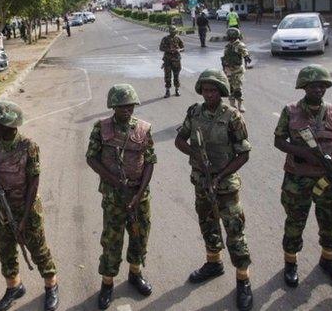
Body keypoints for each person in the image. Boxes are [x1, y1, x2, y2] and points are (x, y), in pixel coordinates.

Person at [175, 69, 253, 311]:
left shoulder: (232, 116)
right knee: (207, 223)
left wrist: (220, 175)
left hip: (226, 184)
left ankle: (243, 278)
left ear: (221, 92)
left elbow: (244, 153)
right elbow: (180, 140)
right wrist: (195, 153)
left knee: (234, 229)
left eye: (214, 90)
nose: (209, 94)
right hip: (201, 181)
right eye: (205, 90)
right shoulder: (194, 112)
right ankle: (213, 263)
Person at [273, 65, 332, 287]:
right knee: (294, 222)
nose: (318, 89)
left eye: (322, 85)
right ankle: (290, 263)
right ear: (303, 87)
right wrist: (304, 154)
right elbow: (279, 141)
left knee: (329, 222)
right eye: (312, 85)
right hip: (297, 179)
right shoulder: (290, 111)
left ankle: (328, 260)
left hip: (327, 181)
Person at [86, 84, 156, 310]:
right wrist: (114, 181)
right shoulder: (101, 128)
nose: (127, 110)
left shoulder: (143, 129)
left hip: (139, 196)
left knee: (139, 235)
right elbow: (92, 158)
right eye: (122, 106)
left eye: (130, 106)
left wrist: (139, 192)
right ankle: (107, 283)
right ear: (113, 106)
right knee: (112, 240)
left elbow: (149, 162)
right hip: (114, 198)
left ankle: (135, 274)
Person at [0, 101, 59, 311]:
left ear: (7, 124)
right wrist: (0, 205)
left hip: (26, 208)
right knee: (5, 249)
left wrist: (24, 218)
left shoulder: (28, 146)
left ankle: (51, 285)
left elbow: (33, 185)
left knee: (38, 250)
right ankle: (14, 287)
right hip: (2, 209)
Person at [221, 28, 251, 112]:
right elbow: (225, 58)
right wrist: (224, 68)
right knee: (230, 88)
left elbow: (244, 51)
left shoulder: (239, 45)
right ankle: (232, 104)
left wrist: (246, 56)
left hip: (237, 69)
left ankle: (240, 104)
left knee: (237, 88)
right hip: (228, 70)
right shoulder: (228, 46)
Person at [159, 25, 184, 98]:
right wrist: (168, 50)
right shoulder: (165, 39)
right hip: (167, 60)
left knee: (176, 76)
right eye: (172, 31)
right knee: (167, 76)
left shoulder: (178, 38)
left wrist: (179, 50)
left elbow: (183, 47)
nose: (173, 33)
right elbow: (161, 48)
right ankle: (167, 91)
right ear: (170, 31)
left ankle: (177, 89)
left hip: (176, 60)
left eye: (174, 31)